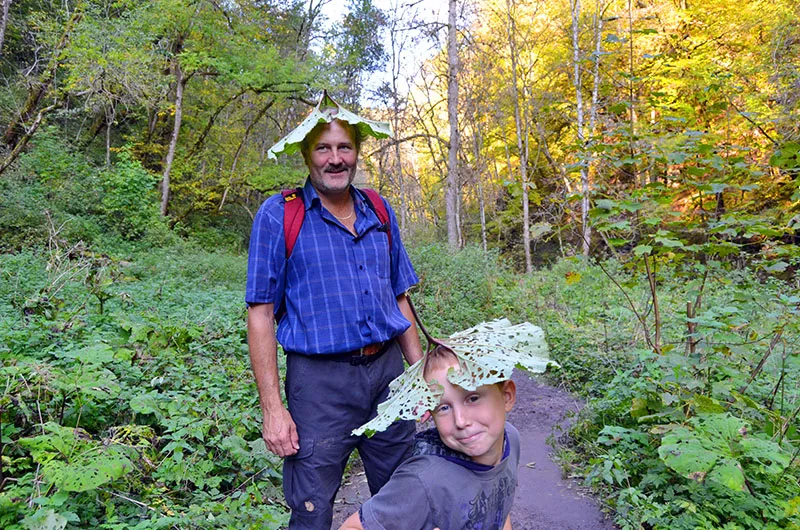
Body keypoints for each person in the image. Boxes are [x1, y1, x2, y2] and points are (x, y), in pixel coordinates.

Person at [246, 91, 423, 529]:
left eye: (344, 147)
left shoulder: (379, 209)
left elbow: (398, 296)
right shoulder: (279, 215)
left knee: (406, 495)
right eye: (323, 148)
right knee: (311, 506)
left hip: (388, 377)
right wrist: (273, 407)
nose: (335, 158)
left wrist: (421, 379)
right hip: (318, 386)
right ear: (307, 155)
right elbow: (260, 314)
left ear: (357, 152)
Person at [339, 345, 519, 530]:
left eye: (472, 398)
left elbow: (499, 503)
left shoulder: (510, 439)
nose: (460, 421)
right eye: (443, 408)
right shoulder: (422, 480)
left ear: (506, 396)